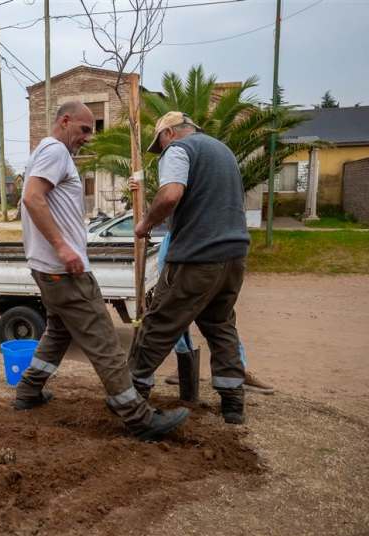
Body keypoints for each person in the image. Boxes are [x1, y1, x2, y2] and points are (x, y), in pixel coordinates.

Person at [14, 101, 189, 441]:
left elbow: (40, 199)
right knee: (104, 341)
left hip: (48, 269)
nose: (87, 138)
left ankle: (28, 392)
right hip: (63, 271)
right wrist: (63, 247)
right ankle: (138, 418)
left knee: (59, 333)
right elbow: (33, 199)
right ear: (64, 121)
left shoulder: (43, 153)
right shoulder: (54, 151)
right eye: (83, 129)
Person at [127, 111, 251, 424]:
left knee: (158, 323)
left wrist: (145, 223)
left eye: (160, 144)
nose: (162, 150)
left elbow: (170, 194)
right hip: (234, 254)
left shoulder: (180, 150)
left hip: (198, 256)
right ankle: (233, 404)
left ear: (169, 133)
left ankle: (131, 393)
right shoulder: (222, 151)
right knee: (220, 325)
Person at [129, 185, 275, 395]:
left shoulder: (185, 160)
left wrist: (146, 221)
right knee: (214, 322)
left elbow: (169, 198)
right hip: (203, 247)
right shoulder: (203, 173)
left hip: (200, 250)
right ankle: (190, 368)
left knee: (180, 319)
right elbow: (168, 202)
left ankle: (136, 388)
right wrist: (141, 195)